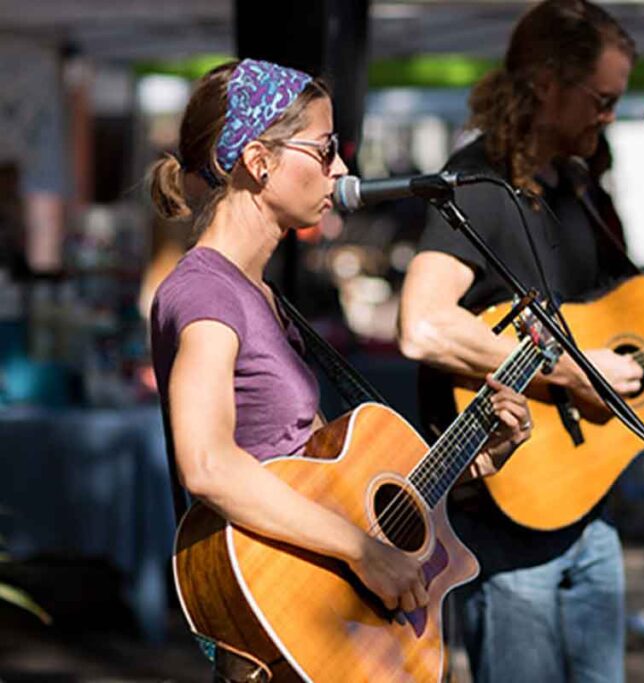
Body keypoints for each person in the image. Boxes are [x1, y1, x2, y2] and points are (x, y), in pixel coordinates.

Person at [397, 2, 644, 681]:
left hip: (589, 513)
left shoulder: (580, 190)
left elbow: (640, 338)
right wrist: (571, 372)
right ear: (547, 82)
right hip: (505, 515)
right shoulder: (480, 185)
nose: (609, 115)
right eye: (600, 99)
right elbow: (421, 323)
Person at [146, 59, 532, 679]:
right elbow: (210, 464)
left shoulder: (260, 296)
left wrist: (472, 459)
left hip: (321, 606)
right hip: (282, 612)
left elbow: (332, 481)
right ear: (259, 160)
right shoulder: (205, 293)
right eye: (326, 150)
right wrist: (362, 553)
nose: (343, 170)